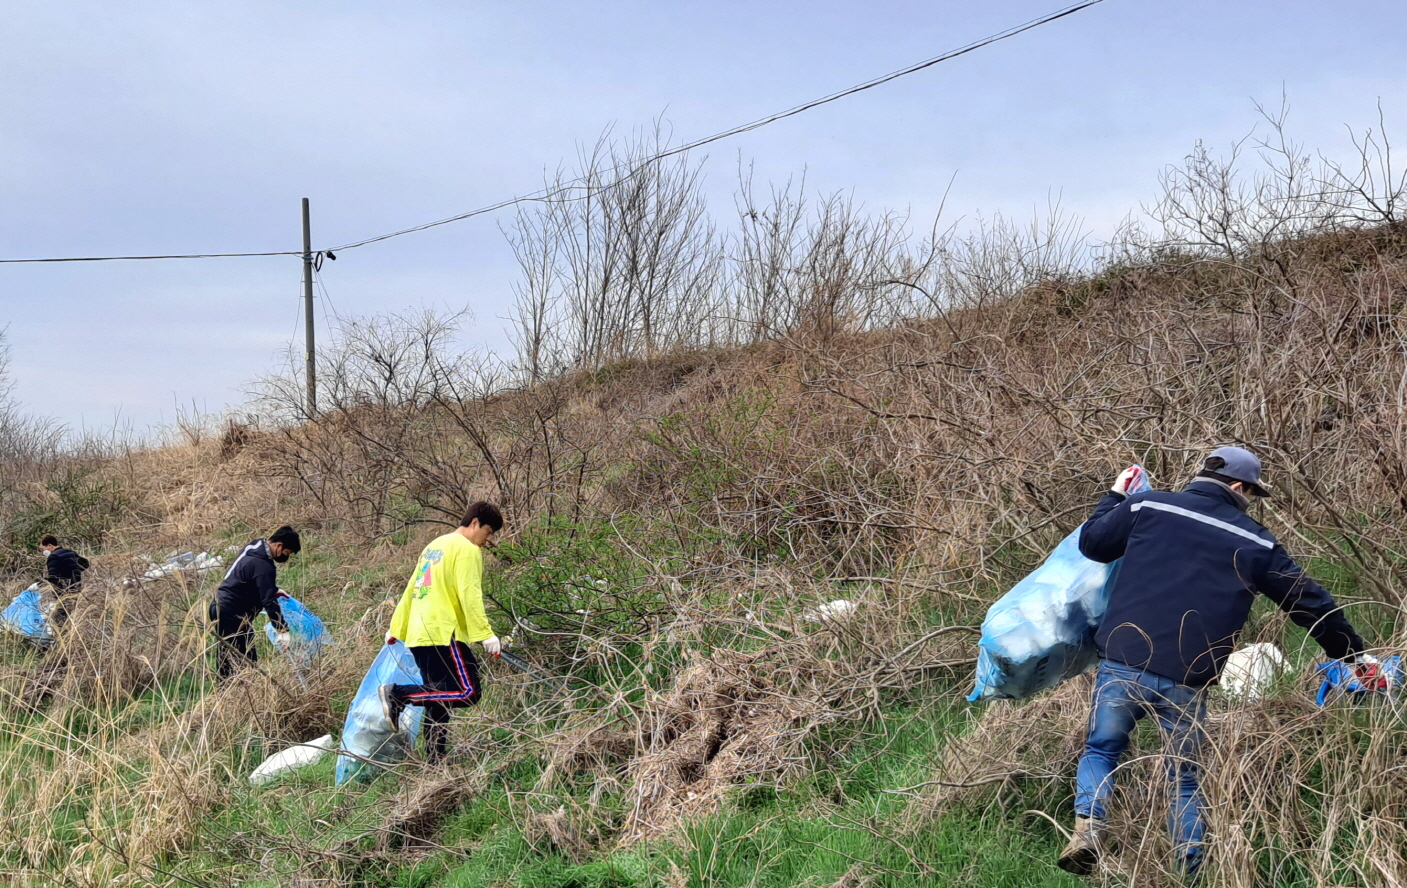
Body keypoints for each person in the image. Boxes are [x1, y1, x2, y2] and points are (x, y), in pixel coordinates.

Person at [1059, 447, 1372, 879]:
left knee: (1102, 748)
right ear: (1240, 488)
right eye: (1252, 494)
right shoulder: (1256, 541)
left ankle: (1088, 832)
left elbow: (1093, 544)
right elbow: (1310, 602)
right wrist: (1351, 654)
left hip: (1124, 660)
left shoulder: (1149, 504)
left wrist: (1113, 497)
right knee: (1184, 776)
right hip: (1189, 678)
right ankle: (1191, 869)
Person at [380, 502, 504, 763]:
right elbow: (470, 594)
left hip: (419, 632)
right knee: (468, 692)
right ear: (475, 523)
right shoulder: (467, 549)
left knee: (438, 697)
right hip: (442, 631)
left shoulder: (434, 546)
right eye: (489, 531)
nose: (488, 539)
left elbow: (413, 586)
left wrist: (396, 626)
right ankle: (398, 694)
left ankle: (435, 761)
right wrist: (484, 634)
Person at [209, 526, 300, 679]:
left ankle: (226, 693)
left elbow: (248, 579)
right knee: (245, 659)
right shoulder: (263, 565)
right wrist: (282, 630)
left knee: (226, 655)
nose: (286, 557)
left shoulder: (254, 546)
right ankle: (240, 693)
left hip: (219, 606)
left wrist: (274, 589)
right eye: (287, 553)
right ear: (279, 546)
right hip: (232, 612)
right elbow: (269, 600)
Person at [39, 534, 90, 627]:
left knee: (60, 616)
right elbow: (85, 564)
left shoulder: (53, 557)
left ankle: (62, 633)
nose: (43, 551)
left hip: (62, 591)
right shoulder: (71, 552)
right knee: (73, 611)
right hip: (76, 587)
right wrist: (74, 571)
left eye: (43, 549)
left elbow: (53, 576)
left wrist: (42, 583)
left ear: (49, 546)